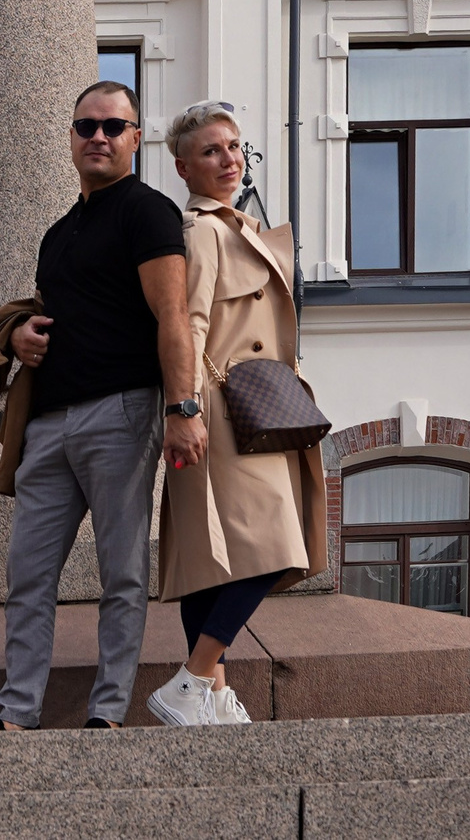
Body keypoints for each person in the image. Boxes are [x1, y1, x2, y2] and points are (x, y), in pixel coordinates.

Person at [0, 79, 197, 730]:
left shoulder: (149, 211)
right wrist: (19, 336)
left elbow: (173, 315)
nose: (98, 136)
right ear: (71, 137)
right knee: (27, 575)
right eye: (86, 126)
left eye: (113, 125)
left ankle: (106, 710)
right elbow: (54, 313)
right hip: (48, 423)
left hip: (122, 411)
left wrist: (182, 408)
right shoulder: (58, 233)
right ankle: (17, 709)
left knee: (123, 573)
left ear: (136, 136)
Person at [146, 100, 331, 729]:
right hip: (223, 413)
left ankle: (212, 691)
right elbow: (187, 326)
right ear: (183, 168)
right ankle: (194, 679)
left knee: (213, 560)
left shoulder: (239, 226)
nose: (229, 160)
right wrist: (185, 409)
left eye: (235, 147)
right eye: (211, 151)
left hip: (256, 409)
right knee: (278, 547)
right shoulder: (201, 232)